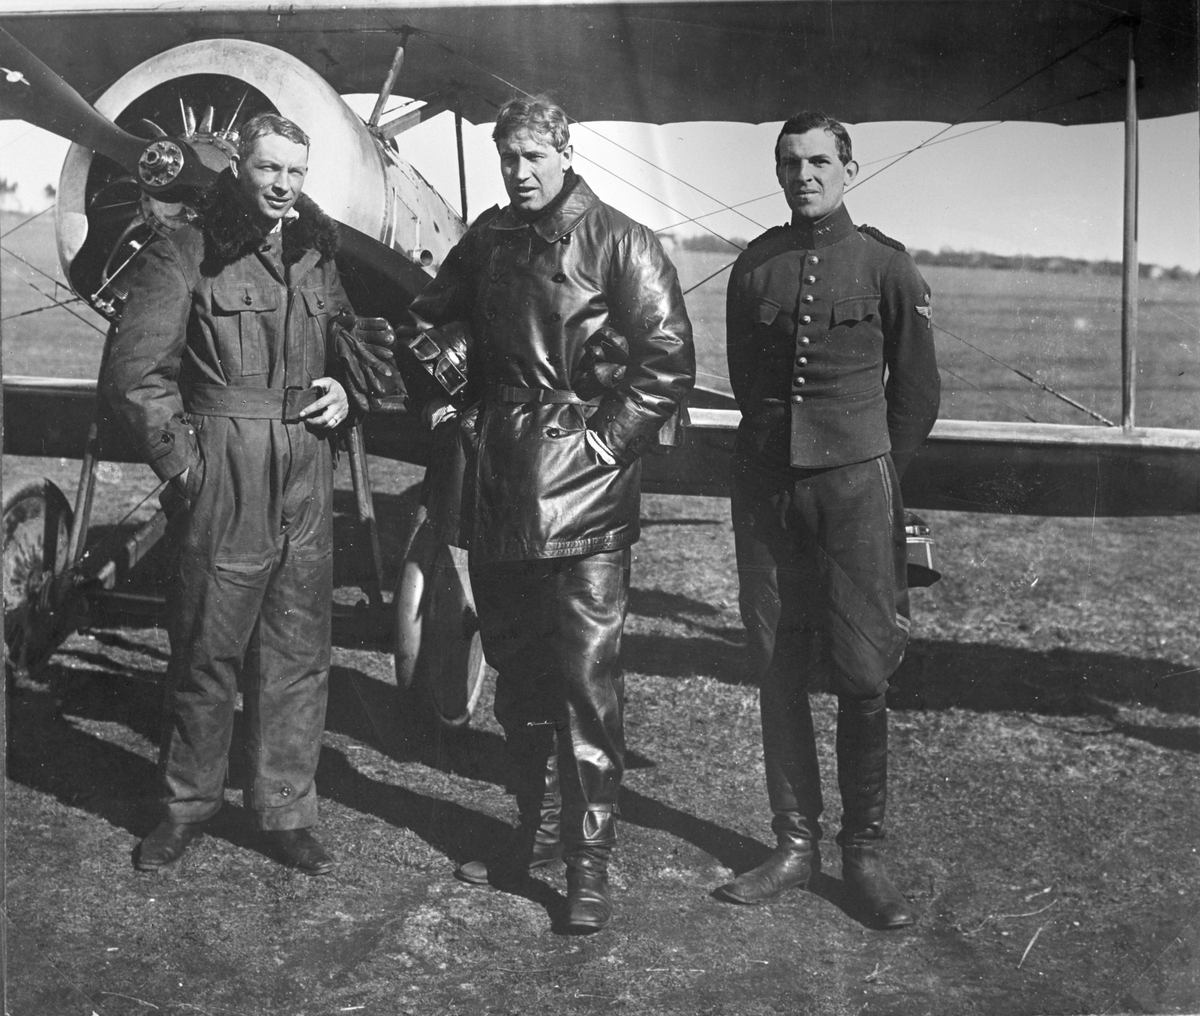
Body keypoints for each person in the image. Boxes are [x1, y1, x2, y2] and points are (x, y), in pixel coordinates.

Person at [401, 96, 694, 932]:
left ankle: (588, 865)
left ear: (566, 155)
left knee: (585, 686)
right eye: (509, 157)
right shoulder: (489, 237)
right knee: (519, 680)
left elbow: (668, 360)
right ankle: (530, 836)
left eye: (534, 156)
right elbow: (427, 323)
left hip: (586, 501)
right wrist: (445, 407)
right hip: (501, 486)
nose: (520, 172)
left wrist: (603, 445)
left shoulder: (622, 240)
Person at [104, 112, 400, 875]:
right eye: (270, 169)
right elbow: (135, 375)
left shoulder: (315, 253)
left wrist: (345, 393)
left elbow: (349, 344)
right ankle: (184, 808)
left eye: (296, 173)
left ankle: (285, 811)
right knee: (207, 648)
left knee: (298, 649)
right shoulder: (187, 249)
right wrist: (186, 468)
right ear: (239, 165)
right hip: (226, 470)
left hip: (306, 470)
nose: (283, 186)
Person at [716, 111, 939, 928]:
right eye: (789, 163)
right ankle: (794, 845)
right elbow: (748, 382)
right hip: (770, 493)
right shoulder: (756, 265)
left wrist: (868, 473)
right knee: (775, 662)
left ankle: (863, 855)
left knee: (863, 670)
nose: (803, 176)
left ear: (849, 169)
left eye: (818, 162)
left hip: (854, 494)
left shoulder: (885, 265)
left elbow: (916, 395)